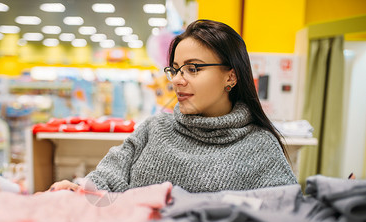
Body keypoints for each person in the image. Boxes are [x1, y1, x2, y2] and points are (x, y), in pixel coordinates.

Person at [50, 19, 297, 193]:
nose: (177, 80)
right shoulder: (154, 128)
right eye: (175, 69)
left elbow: (285, 217)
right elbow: (107, 179)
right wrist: (79, 192)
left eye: (193, 68)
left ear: (230, 76)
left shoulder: (259, 146)